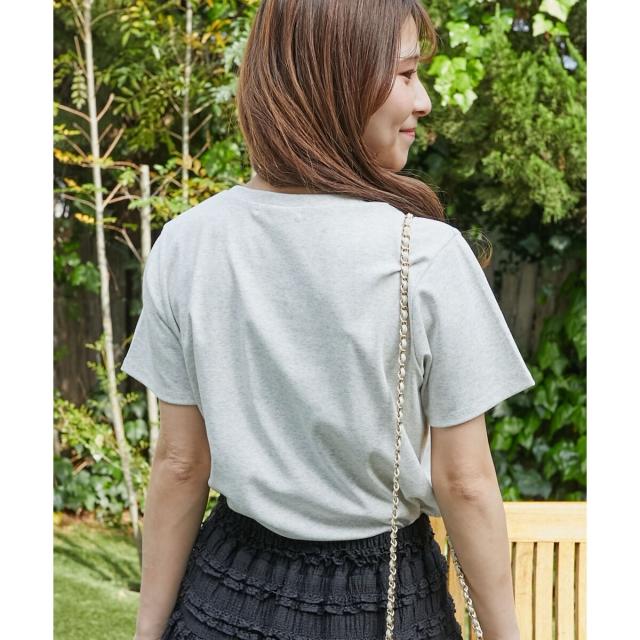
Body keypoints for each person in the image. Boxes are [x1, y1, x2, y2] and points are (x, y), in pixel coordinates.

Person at [122, 1, 535, 639]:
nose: (423, 101)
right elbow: (465, 483)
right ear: (335, 80)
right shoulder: (425, 255)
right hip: (384, 602)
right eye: (405, 75)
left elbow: (180, 463)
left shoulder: (186, 242)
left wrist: (148, 630)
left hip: (223, 595)